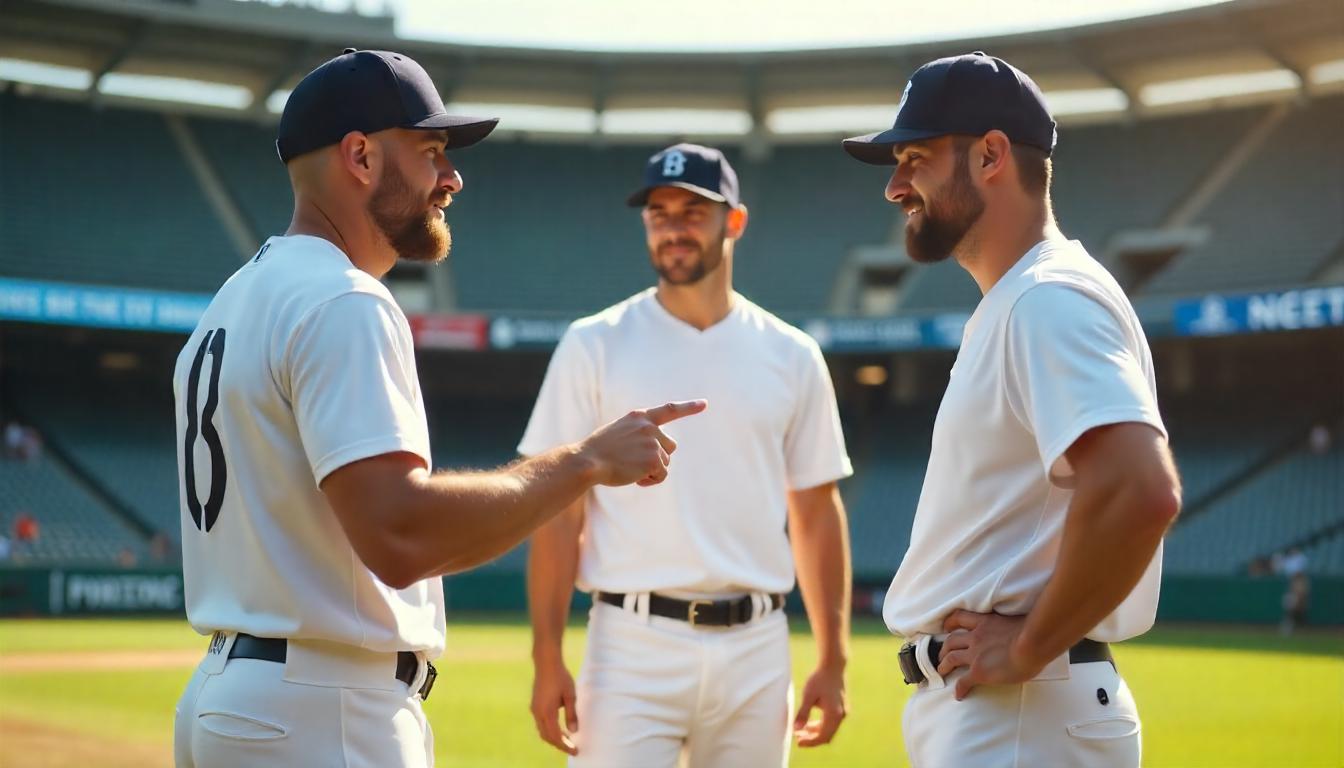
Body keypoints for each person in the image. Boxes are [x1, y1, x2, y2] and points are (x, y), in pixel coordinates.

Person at [171, 49, 705, 768]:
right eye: (430, 152)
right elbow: (402, 534)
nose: (450, 177)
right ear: (359, 156)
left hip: (239, 697)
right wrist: (584, 461)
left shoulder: (231, 301)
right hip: (323, 709)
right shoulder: (343, 300)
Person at [843, 52, 1182, 767]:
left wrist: (1031, 645)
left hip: (1022, 713)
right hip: (1011, 713)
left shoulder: (1045, 298)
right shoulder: (1024, 299)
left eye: (915, 158)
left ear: (992, 154)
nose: (895, 187)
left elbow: (1141, 488)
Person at [520, 143, 854, 767]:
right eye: (658, 211)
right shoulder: (593, 343)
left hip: (757, 644)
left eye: (693, 211)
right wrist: (547, 658)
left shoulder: (793, 354)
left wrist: (834, 659)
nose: (672, 226)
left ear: (735, 221)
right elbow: (558, 514)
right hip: (630, 643)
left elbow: (815, 511)